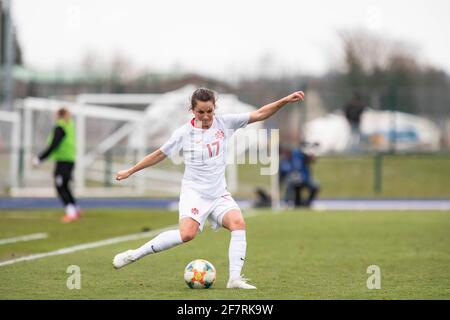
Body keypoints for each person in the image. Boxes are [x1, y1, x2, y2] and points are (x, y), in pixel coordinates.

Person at [112, 87, 305, 289]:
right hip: (194, 194)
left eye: (209, 111)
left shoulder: (224, 123)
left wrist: (284, 100)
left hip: (219, 193)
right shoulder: (184, 133)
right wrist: (131, 170)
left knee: (238, 223)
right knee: (187, 235)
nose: (206, 116)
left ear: (214, 108)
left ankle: (234, 279)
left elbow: (259, 114)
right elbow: (159, 154)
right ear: (192, 111)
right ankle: (134, 254)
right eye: (200, 112)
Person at [32, 107, 81, 223]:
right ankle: (75, 208)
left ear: (59, 115)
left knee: (60, 186)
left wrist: (39, 159)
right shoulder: (69, 125)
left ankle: (71, 212)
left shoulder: (60, 127)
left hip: (64, 161)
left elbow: (53, 145)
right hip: (68, 160)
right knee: (65, 185)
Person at [284, 143, 320, 208]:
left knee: (315, 186)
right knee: (292, 185)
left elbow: (312, 159)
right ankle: (289, 203)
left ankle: (307, 203)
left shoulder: (304, 156)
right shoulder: (295, 154)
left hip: (305, 179)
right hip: (296, 179)